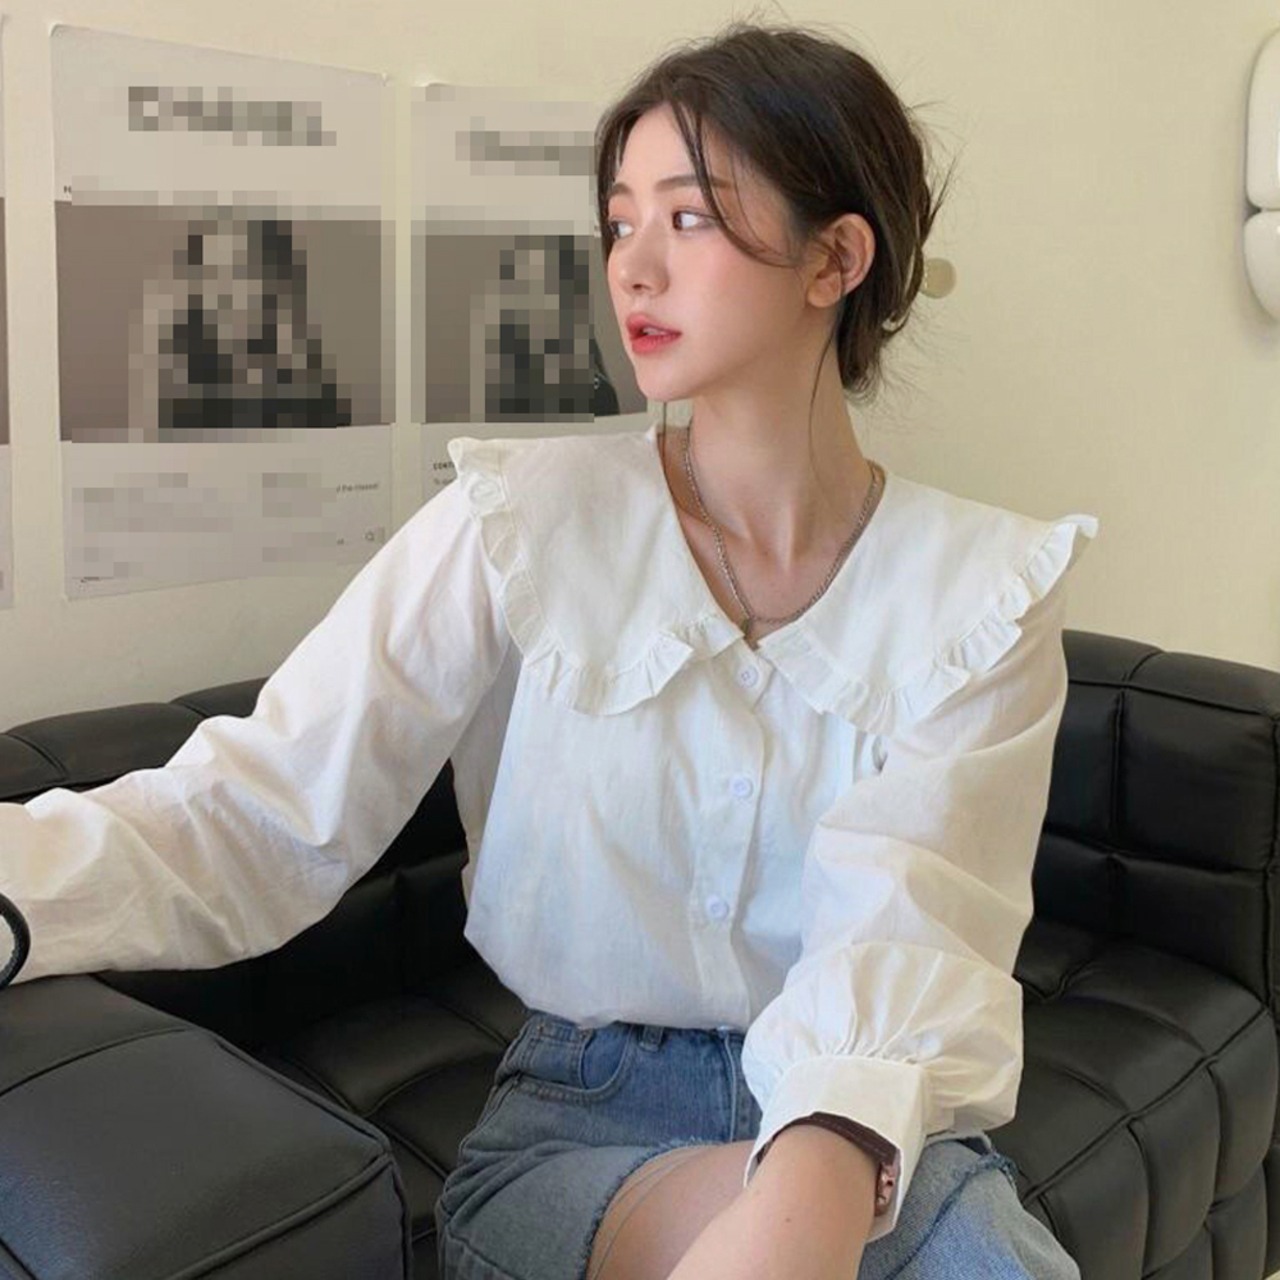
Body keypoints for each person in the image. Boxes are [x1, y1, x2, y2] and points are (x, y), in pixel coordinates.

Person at [4, 20, 1099, 1280]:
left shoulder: (981, 591)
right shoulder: (517, 523)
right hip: (579, 1128)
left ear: (833, 257)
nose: (633, 266)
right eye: (618, 221)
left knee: (953, 1243)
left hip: (862, 1122)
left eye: (686, 216)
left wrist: (815, 1173)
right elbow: (260, 807)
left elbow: (910, 919)